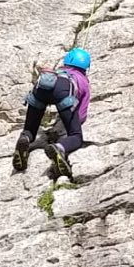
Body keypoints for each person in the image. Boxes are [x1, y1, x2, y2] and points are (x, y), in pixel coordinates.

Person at [12, 47, 91, 176]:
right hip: (62, 92)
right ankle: (59, 148)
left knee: (30, 130)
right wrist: (73, 121)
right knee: (76, 136)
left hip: (41, 89)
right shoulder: (82, 80)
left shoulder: (58, 72)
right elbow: (81, 114)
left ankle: (25, 138)